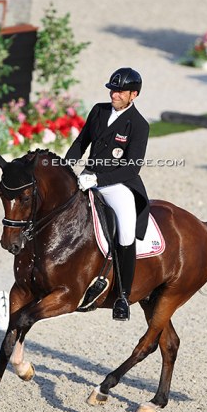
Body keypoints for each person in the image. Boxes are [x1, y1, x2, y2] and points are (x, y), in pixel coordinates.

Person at [65, 67, 150, 321]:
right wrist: (67, 167)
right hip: (88, 177)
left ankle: (123, 296)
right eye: (112, 89)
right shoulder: (99, 110)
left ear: (133, 94)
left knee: (125, 231)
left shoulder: (139, 125)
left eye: (120, 91)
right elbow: (81, 142)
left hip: (118, 185)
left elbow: (132, 167)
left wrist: (98, 178)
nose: (114, 94)